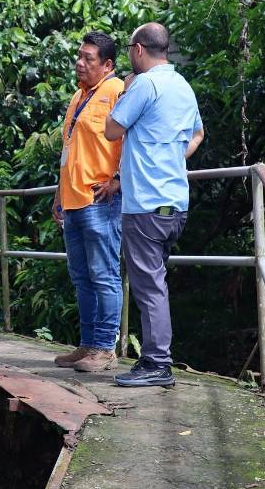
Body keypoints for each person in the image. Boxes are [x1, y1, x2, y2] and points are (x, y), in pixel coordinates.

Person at [104, 22, 205, 387]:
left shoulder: (145, 84)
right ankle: (152, 360)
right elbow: (198, 133)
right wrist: (174, 157)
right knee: (154, 282)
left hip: (146, 205)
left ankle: (158, 364)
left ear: (139, 50)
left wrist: (126, 90)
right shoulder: (182, 85)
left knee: (149, 287)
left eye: (130, 48)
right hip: (175, 203)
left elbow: (112, 129)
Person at [52, 31, 124, 372]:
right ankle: (88, 345)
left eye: (88, 59)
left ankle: (105, 348)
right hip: (73, 200)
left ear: (107, 64)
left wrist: (119, 180)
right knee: (81, 277)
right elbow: (69, 150)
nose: (80, 63)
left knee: (104, 275)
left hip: (100, 201)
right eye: (79, 57)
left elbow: (134, 140)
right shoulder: (79, 96)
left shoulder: (117, 91)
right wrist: (58, 195)